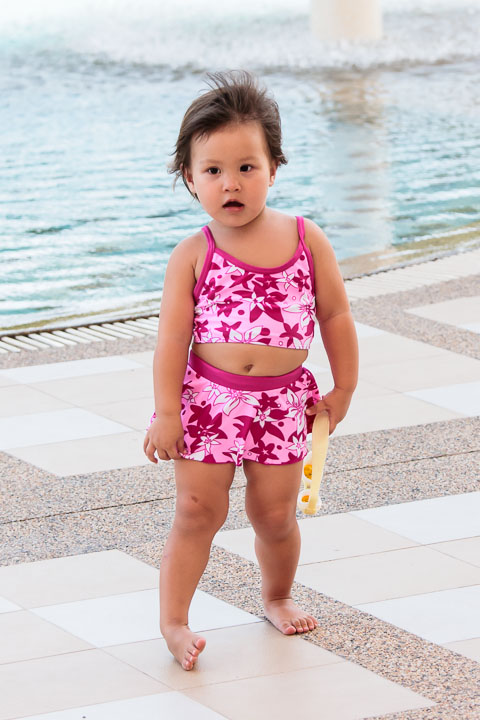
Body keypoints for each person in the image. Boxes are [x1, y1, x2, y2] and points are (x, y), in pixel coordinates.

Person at [143, 70, 358, 671]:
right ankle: (174, 622)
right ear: (190, 178)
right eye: (212, 170)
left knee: (275, 515)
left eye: (246, 167)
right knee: (196, 511)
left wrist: (344, 386)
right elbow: (172, 341)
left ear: (274, 168)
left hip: (282, 405)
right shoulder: (193, 254)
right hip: (208, 403)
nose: (230, 183)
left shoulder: (306, 239)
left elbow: (335, 315)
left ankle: (277, 595)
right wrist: (167, 413)